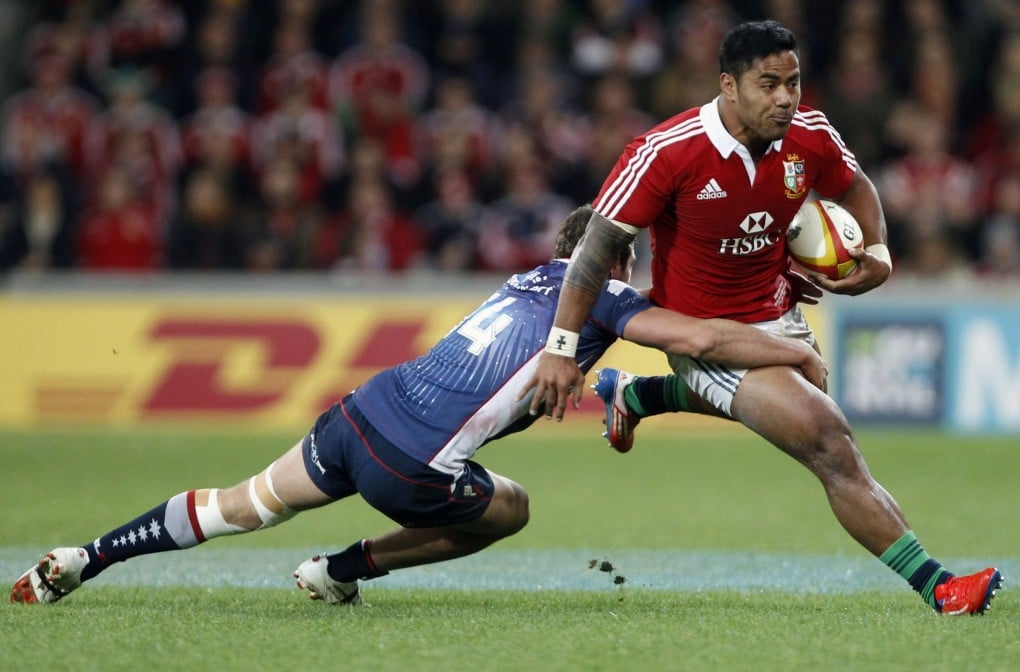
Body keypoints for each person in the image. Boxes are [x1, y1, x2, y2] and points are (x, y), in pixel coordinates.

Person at [10, 204, 827, 606]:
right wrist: (792, 347)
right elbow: (702, 338)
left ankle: (87, 558)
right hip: (412, 464)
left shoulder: (527, 278)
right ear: (614, 263)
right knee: (510, 508)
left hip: (362, 411)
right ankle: (342, 569)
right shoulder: (606, 298)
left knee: (240, 505)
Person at [522, 20, 1002, 615]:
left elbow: (857, 187)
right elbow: (595, 249)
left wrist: (878, 253)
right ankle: (941, 589)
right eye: (768, 84)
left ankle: (637, 396)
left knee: (809, 426)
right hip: (704, 335)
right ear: (728, 85)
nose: (784, 98)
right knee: (828, 440)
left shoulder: (810, 135)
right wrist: (560, 347)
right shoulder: (666, 151)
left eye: (792, 83)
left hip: (779, 312)